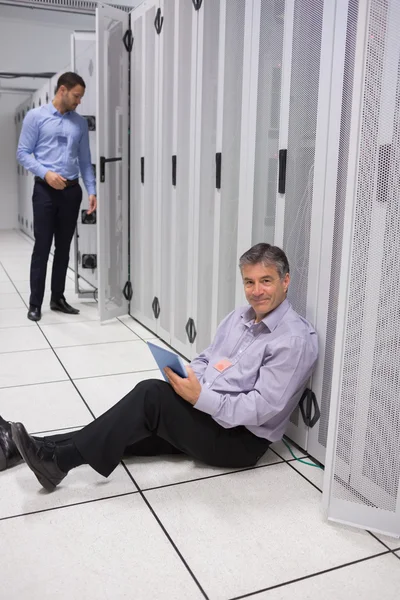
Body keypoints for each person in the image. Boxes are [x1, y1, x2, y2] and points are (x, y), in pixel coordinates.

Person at [0, 244, 318, 491]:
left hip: (239, 441)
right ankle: (25, 449)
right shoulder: (240, 316)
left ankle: (56, 464)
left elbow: (261, 408)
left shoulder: (292, 340)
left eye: (266, 281)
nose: (256, 291)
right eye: (249, 282)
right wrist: (190, 380)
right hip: (208, 412)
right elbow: (209, 357)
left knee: (150, 397)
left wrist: (199, 399)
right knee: (125, 428)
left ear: (285, 281)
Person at [16, 71, 97, 323]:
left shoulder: (79, 123)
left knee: (64, 248)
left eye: (81, 97)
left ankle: (58, 298)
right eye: (76, 96)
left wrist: (92, 189)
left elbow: (85, 160)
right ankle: (35, 303)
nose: (79, 101)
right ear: (62, 90)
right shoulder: (36, 117)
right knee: (42, 247)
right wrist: (46, 173)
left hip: (72, 192)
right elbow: (23, 153)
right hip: (45, 191)